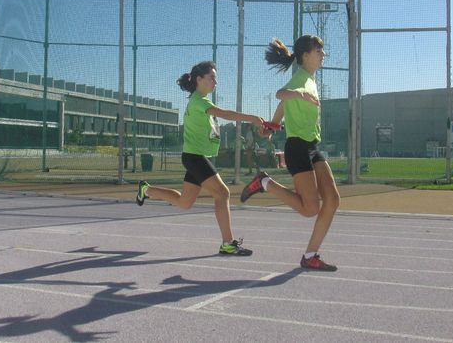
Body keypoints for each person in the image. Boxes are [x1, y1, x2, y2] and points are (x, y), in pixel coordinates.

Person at [136, 61, 265, 256]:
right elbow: (224, 114)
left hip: (196, 157)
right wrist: (252, 118)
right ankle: (228, 243)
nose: (216, 82)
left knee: (185, 202)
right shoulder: (199, 101)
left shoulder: (200, 101)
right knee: (222, 193)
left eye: (215, 78)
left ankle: (147, 189)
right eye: (212, 77)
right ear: (199, 79)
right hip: (194, 157)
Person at [241, 36, 340, 271]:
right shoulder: (302, 80)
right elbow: (281, 94)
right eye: (319, 50)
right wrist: (299, 95)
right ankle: (265, 183)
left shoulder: (309, 79)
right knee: (310, 209)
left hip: (311, 146)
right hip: (297, 148)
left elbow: (284, 106)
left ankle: (310, 256)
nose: (323, 54)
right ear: (305, 55)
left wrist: (273, 125)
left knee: (333, 200)